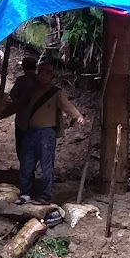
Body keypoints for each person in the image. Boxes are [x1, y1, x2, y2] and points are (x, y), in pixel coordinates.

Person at [17, 61, 86, 205]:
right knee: (26, 164)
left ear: (51, 76)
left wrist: (77, 116)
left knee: (46, 165)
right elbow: (17, 104)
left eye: (46, 73)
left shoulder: (56, 93)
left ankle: (45, 195)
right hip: (30, 132)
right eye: (41, 72)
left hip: (46, 133)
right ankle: (25, 194)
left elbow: (68, 106)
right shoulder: (31, 91)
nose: (43, 75)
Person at [4, 55, 40, 172]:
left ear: (24, 68)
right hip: (39, 122)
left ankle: (26, 171)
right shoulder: (41, 81)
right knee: (35, 148)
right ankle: (31, 168)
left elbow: (13, 96)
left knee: (22, 148)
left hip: (22, 121)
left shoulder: (21, 81)